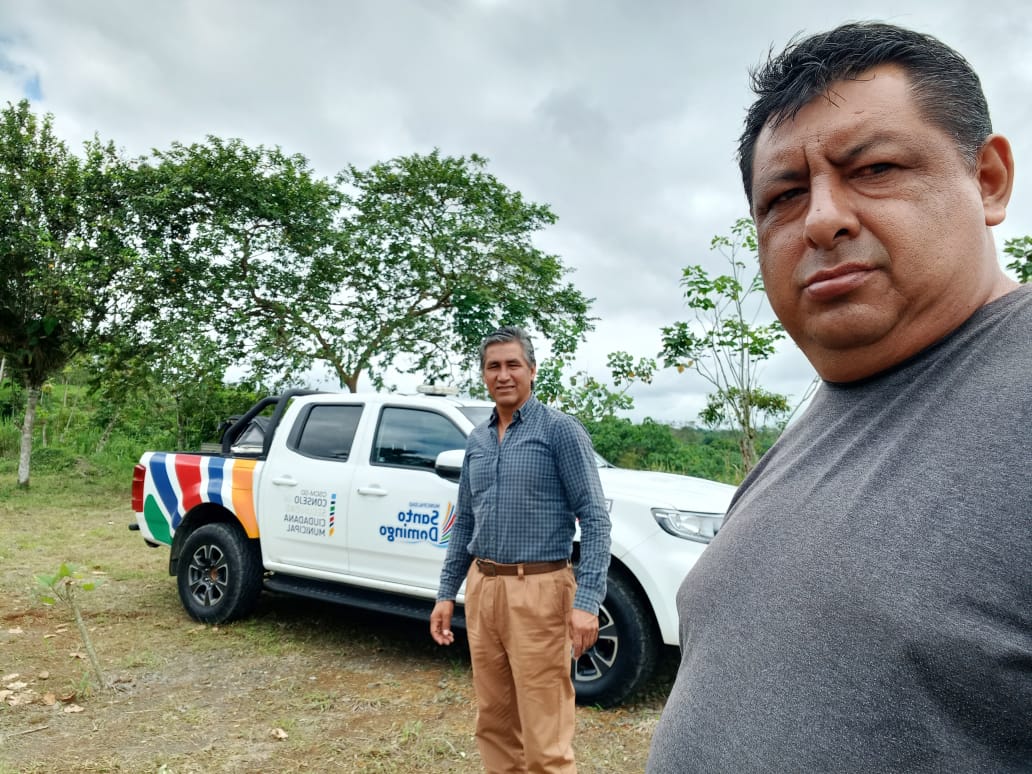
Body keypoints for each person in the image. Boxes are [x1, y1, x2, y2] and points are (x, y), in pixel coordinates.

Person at [647, 21, 1031, 773]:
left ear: (988, 180)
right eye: (785, 196)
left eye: (876, 168)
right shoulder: (829, 413)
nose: (822, 219)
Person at [430, 326, 612, 773]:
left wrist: (587, 602)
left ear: (532, 370)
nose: (503, 375)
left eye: (513, 364)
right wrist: (446, 593)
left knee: (545, 736)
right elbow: (465, 521)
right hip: (484, 589)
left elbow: (595, 518)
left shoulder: (560, 431)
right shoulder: (477, 440)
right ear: (483, 375)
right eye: (494, 366)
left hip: (540, 591)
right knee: (494, 722)